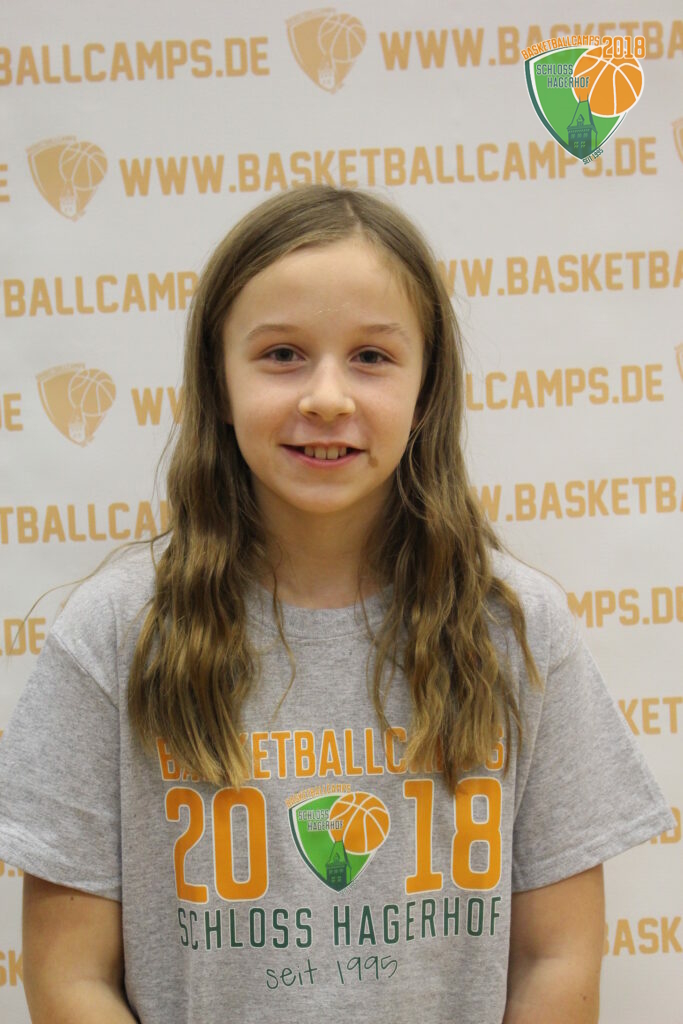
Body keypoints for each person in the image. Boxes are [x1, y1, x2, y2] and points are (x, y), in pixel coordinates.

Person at [0, 185, 673, 1024]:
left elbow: (555, 959)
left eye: (371, 357)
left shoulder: (521, 631)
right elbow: (71, 978)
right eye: (282, 354)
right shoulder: (109, 637)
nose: (326, 397)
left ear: (427, 390)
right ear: (218, 382)